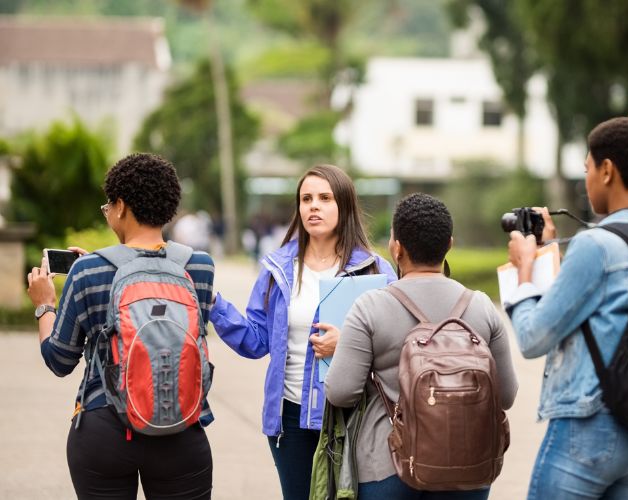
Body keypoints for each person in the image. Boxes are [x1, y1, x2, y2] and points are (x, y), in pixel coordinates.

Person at [26, 152, 216, 499]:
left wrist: (44, 305)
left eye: (108, 205)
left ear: (122, 206)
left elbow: (59, 359)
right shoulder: (200, 265)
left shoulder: (89, 272)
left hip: (105, 428)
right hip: (182, 424)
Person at [208, 164, 397, 500]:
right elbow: (255, 341)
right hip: (289, 417)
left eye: (324, 198)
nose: (313, 206)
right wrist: (214, 303)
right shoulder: (276, 268)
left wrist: (352, 343)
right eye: (306, 198)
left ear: (344, 205)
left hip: (353, 415)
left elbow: (398, 340)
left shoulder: (374, 269)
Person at [506, 117, 628, 499]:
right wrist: (549, 252)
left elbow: (532, 338)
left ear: (607, 170)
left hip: (588, 427)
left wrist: (524, 270)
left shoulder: (595, 245)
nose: (587, 181)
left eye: (588, 169)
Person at [323, 193, 518, 499]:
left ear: (396, 247)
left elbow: (340, 392)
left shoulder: (370, 307)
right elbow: (506, 396)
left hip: (388, 466)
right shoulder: (481, 307)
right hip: (468, 467)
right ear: (449, 244)